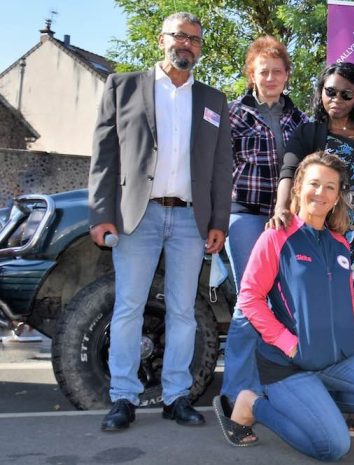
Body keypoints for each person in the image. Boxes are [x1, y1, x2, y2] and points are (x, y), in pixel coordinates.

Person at [88, 12, 233, 431]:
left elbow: (222, 166)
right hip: (138, 216)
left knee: (184, 311)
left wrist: (218, 221)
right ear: (161, 39)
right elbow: (104, 156)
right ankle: (123, 398)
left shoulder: (212, 100)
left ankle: (176, 396)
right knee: (129, 307)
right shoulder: (123, 86)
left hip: (191, 219)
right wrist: (101, 213)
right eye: (179, 36)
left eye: (194, 40)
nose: (186, 44)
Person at [219, 152, 354, 460]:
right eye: (315, 184)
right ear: (299, 187)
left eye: (331, 187)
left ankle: (314, 402)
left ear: (337, 197)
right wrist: (287, 343)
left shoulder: (340, 243)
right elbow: (250, 298)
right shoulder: (277, 236)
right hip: (288, 363)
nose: (321, 193)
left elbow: (344, 300)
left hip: (334, 358)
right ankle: (253, 405)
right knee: (333, 447)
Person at [270, 62, 354, 434]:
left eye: (346, 93)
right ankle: (317, 393)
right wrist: (283, 209)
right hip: (321, 235)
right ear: (321, 92)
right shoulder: (308, 132)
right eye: (330, 91)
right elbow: (289, 172)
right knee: (318, 314)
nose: (336, 99)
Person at [215, 35, 307, 446]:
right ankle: (235, 392)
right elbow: (219, 169)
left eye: (277, 71)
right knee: (249, 301)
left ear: (287, 75)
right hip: (247, 217)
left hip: (288, 221)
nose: (270, 77)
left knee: (283, 304)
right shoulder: (233, 113)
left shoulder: (299, 119)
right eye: (262, 70)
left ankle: (270, 389)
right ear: (251, 74)